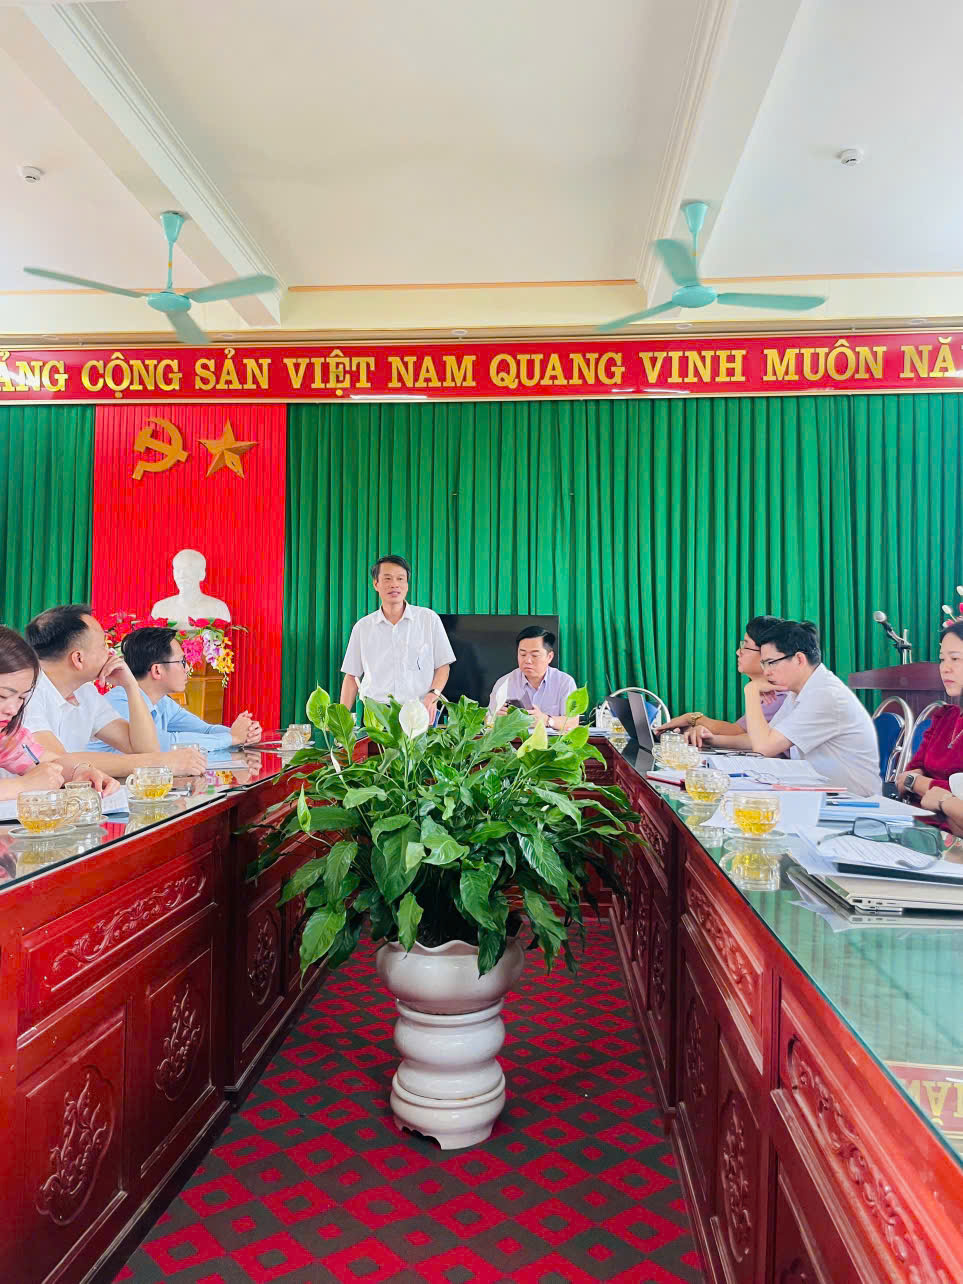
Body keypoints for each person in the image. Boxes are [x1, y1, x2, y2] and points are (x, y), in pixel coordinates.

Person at [693, 619, 881, 796]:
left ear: (799, 659)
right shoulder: (799, 691)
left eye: (771, 663)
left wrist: (751, 691)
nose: (766, 672)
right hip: (823, 794)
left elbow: (764, 747)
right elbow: (762, 738)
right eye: (764, 664)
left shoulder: (825, 695)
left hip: (855, 802)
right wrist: (713, 740)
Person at [23, 605, 206, 777]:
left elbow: (145, 750)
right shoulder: (25, 692)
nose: (110, 653)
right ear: (78, 658)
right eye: (103, 645)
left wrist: (131, 685)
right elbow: (58, 764)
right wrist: (159, 762)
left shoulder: (85, 692)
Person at [87, 626, 262, 754]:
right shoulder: (120, 702)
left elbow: (205, 730)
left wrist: (244, 734)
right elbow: (166, 744)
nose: (187, 669)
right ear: (157, 670)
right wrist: (232, 738)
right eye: (182, 662)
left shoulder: (162, 702)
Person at [0, 625, 118, 798]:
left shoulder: (6, 736)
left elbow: (48, 760)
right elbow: (28, 782)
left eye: (21, 698)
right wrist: (23, 785)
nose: (12, 709)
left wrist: (80, 771)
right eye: (2, 696)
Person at [340, 555, 455, 721]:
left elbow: (443, 666)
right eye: (387, 579)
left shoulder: (428, 619)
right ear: (376, 584)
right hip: (377, 715)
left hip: (418, 711)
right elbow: (351, 676)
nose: (394, 584)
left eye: (400, 579)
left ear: (407, 585)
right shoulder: (363, 627)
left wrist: (433, 694)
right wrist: (341, 720)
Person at [653, 615, 788, 741]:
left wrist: (692, 718)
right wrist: (693, 730)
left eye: (745, 646)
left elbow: (738, 732)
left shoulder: (780, 694)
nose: (738, 652)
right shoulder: (764, 690)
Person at [897, 621, 963, 820]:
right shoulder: (945, 716)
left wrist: (918, 783)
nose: (945, 668)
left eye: (955, 659)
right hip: (917, 821)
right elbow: (906, 776)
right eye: (942, 659)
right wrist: (920, 783)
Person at [489, 627, 578, 731]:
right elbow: (488, 720)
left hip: (550, 741)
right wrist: (496, 719)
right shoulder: (504, 683)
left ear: (549, 657)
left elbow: (572, 722)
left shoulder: (564, 682)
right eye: (522, 654)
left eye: (535, 655)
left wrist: (547, 720)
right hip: (514, 740)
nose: (527, 660)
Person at [152, 548, 230, 627]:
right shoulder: (160, 608)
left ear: (202, 574)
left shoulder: (218, 608)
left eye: (188, 569)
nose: (181, 575)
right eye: (178, 570)